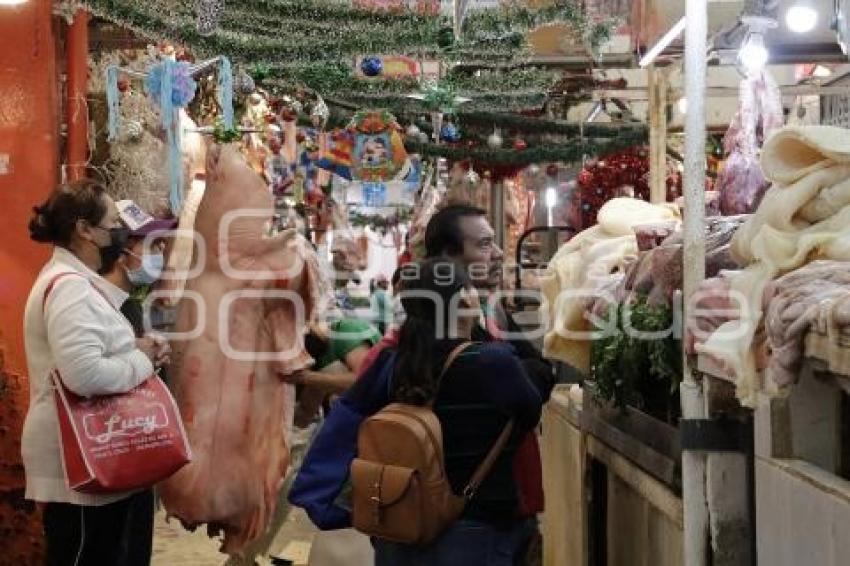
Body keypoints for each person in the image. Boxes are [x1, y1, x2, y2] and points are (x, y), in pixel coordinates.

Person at [22, 180, 170, 566]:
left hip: (94, 461)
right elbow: (84, 375)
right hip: (80, 467)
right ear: (84, 230)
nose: (118, 232)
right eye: (112, 223)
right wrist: (144, 360)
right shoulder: (69, 288)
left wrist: (136, 348)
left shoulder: (77, 283)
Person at [363, 259, 548, 564]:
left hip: (400, 521)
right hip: (476, 526)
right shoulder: (491, 361)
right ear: (465, 298)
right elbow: (529, 412)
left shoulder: (393, 363)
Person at [99, 200, 176, 566]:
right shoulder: (97, 302)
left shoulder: (129, 302)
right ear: (123, 249)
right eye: (153, 245)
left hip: (132, 454)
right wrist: (145, 357)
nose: (160, 253)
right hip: (106, 455)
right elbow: (91, 375)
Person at [292, 318, 381, 427]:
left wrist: (306, 377)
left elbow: (363, 381)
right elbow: (304, 414)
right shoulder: (320, 361)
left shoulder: (346, 330)